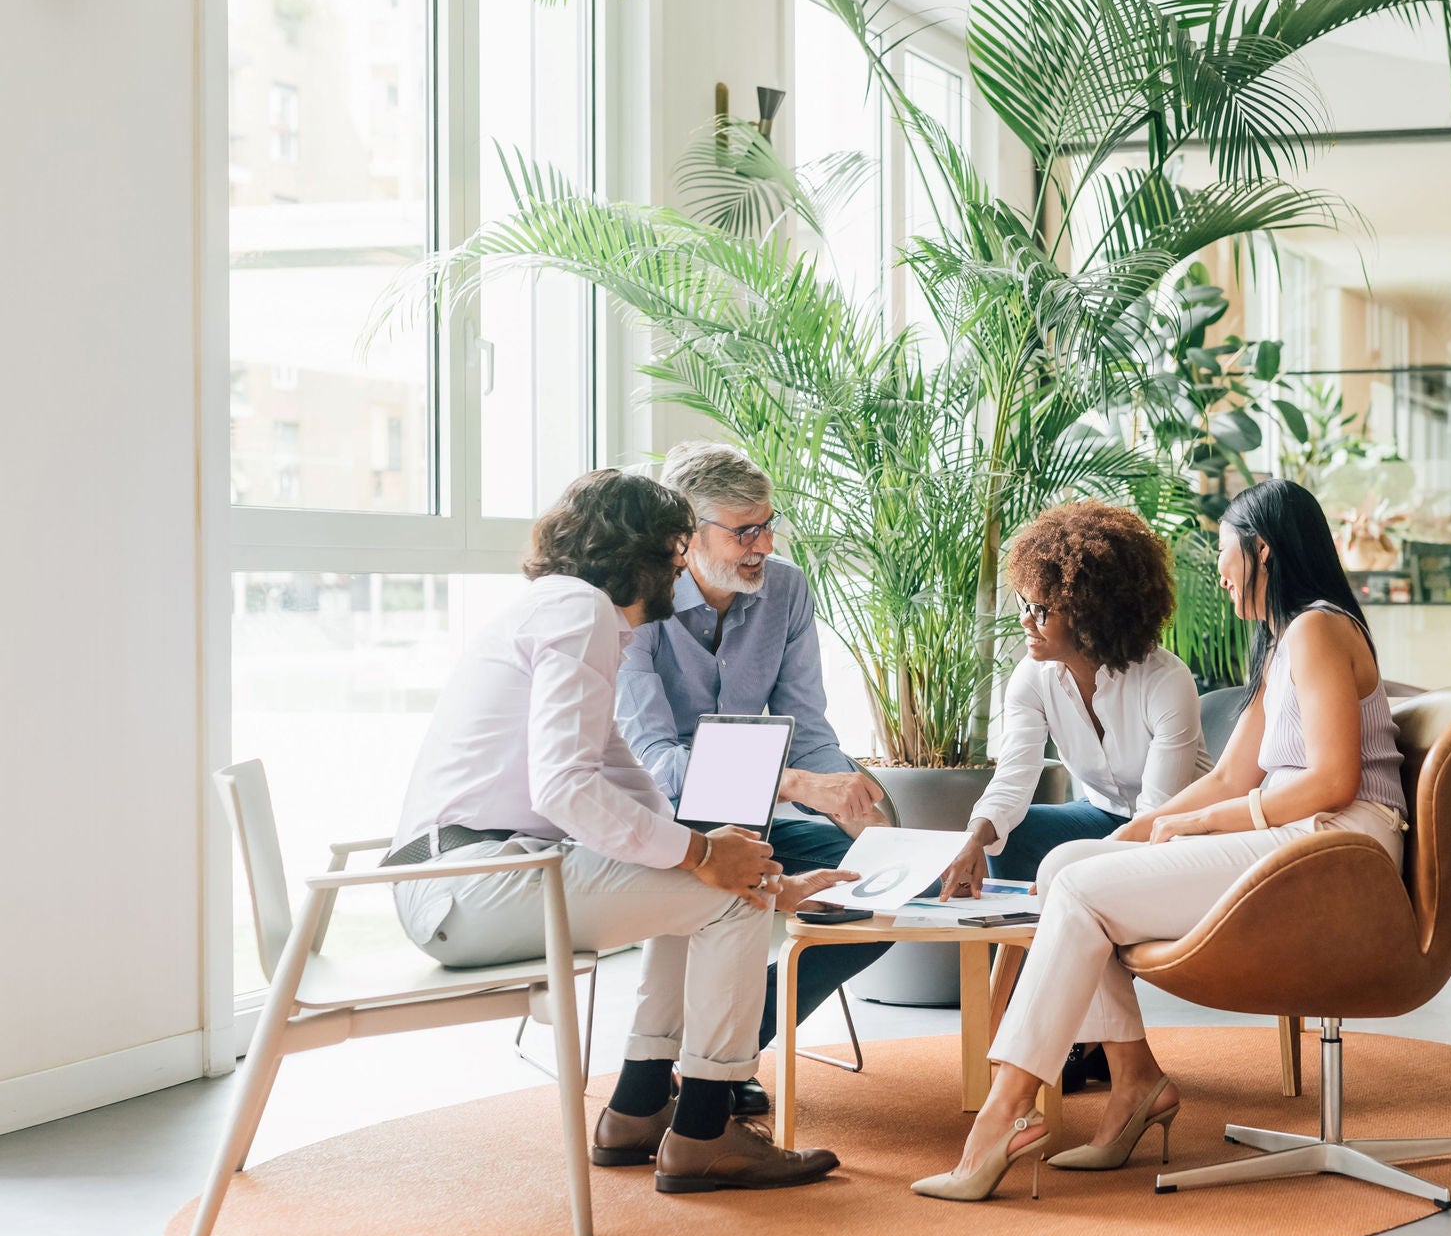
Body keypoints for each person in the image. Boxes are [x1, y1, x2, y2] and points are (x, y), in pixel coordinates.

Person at [913, 479, 1407, 1201]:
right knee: (1063, 868)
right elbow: (1235, 772)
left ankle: (1001, 1117)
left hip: (1337, 848)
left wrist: (1197, 822)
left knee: (1080, 887)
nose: (1222, 569)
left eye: (1226, 552)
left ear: (1262, 549)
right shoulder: (1287, 642)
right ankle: (1136, 1081)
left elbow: (1333, 778)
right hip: (1299, 837)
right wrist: (1146, 830)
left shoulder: (1319, 628)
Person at [385, 469, 848, 1194]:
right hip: (468, 884)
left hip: (464, 877)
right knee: (722, 895)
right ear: (642, 552)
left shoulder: (564, 610)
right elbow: (565, 788)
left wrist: (749, 871)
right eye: (674, 546)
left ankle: (636, 1110)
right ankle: (703, 1130)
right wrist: (707, 857)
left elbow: (621, 775)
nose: (680, 563)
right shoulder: (581, 613)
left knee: (702, 884)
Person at [615, 441, 892, 1117]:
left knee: (878, 894)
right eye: (743, 530)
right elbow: (658, 766)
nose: (761, 544)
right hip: (666, 830)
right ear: (686, 535)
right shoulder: (638, 601)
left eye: (766, 524)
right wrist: (795, 784)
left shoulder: (787, 589)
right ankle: (710, 1073)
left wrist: (867, 820)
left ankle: (725, 1047)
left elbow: (810, 727)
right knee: (735, 880)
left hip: (758, 823)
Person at [935, 500, 1210, 901]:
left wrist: (1073, 871)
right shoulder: (1032, 678)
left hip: (1180, 831)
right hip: (1103, 815)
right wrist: (974, 838)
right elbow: (1013, 779)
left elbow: (1154, 817)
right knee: (1010, 834)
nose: (1025, 620)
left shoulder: (1165, 681)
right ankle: (1021, 946)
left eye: (1040, 609)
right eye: (1022, 603)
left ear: (1091, 612)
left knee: (1076, 867)